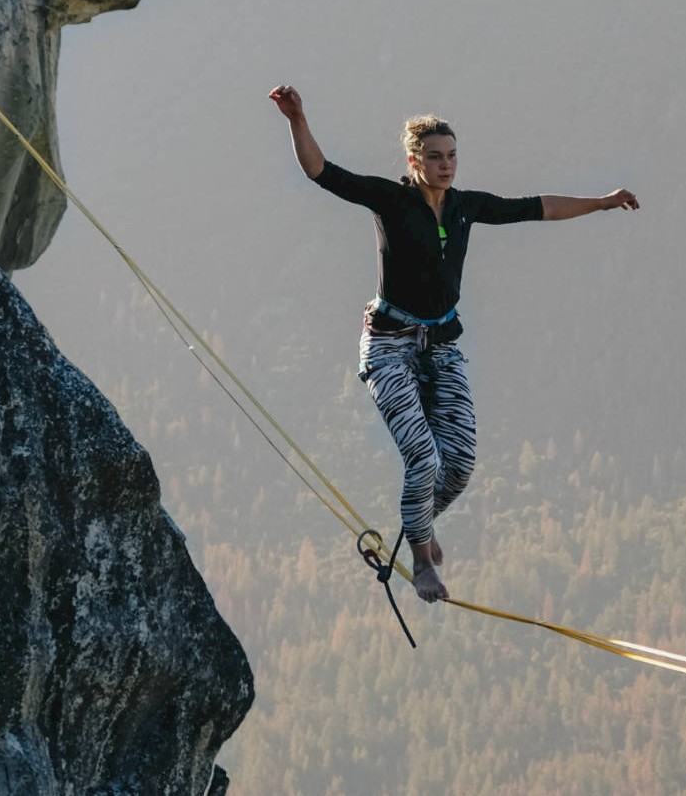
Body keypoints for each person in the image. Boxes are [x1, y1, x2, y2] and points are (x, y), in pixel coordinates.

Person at [268, 84, 639, 603]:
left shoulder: (465, 207)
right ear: (414, 160)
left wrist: (601, 203)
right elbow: (322, 173)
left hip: (441, 345)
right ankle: (422, 560)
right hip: (390, 344)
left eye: (452, 157)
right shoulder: (392, 201)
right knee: (422, 455)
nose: (447, 166)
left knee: (459, 463)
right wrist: (297, 119)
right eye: (436, 158)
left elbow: (537, 208)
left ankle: (418, 523)